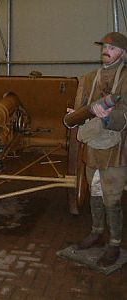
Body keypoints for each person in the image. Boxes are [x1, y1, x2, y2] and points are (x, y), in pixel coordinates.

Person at [70, 32, 127, 267]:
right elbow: (79, 109)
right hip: (93, 144)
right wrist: (77, 114)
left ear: (122, 52)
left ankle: (113, 243)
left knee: (112, 197)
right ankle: (96, 232)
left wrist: (107, 118)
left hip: (117, 147)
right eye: (105, 47)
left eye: (112, 48)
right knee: (94, 191)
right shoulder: (90, 77)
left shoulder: (126, 78)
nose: (106, 50)